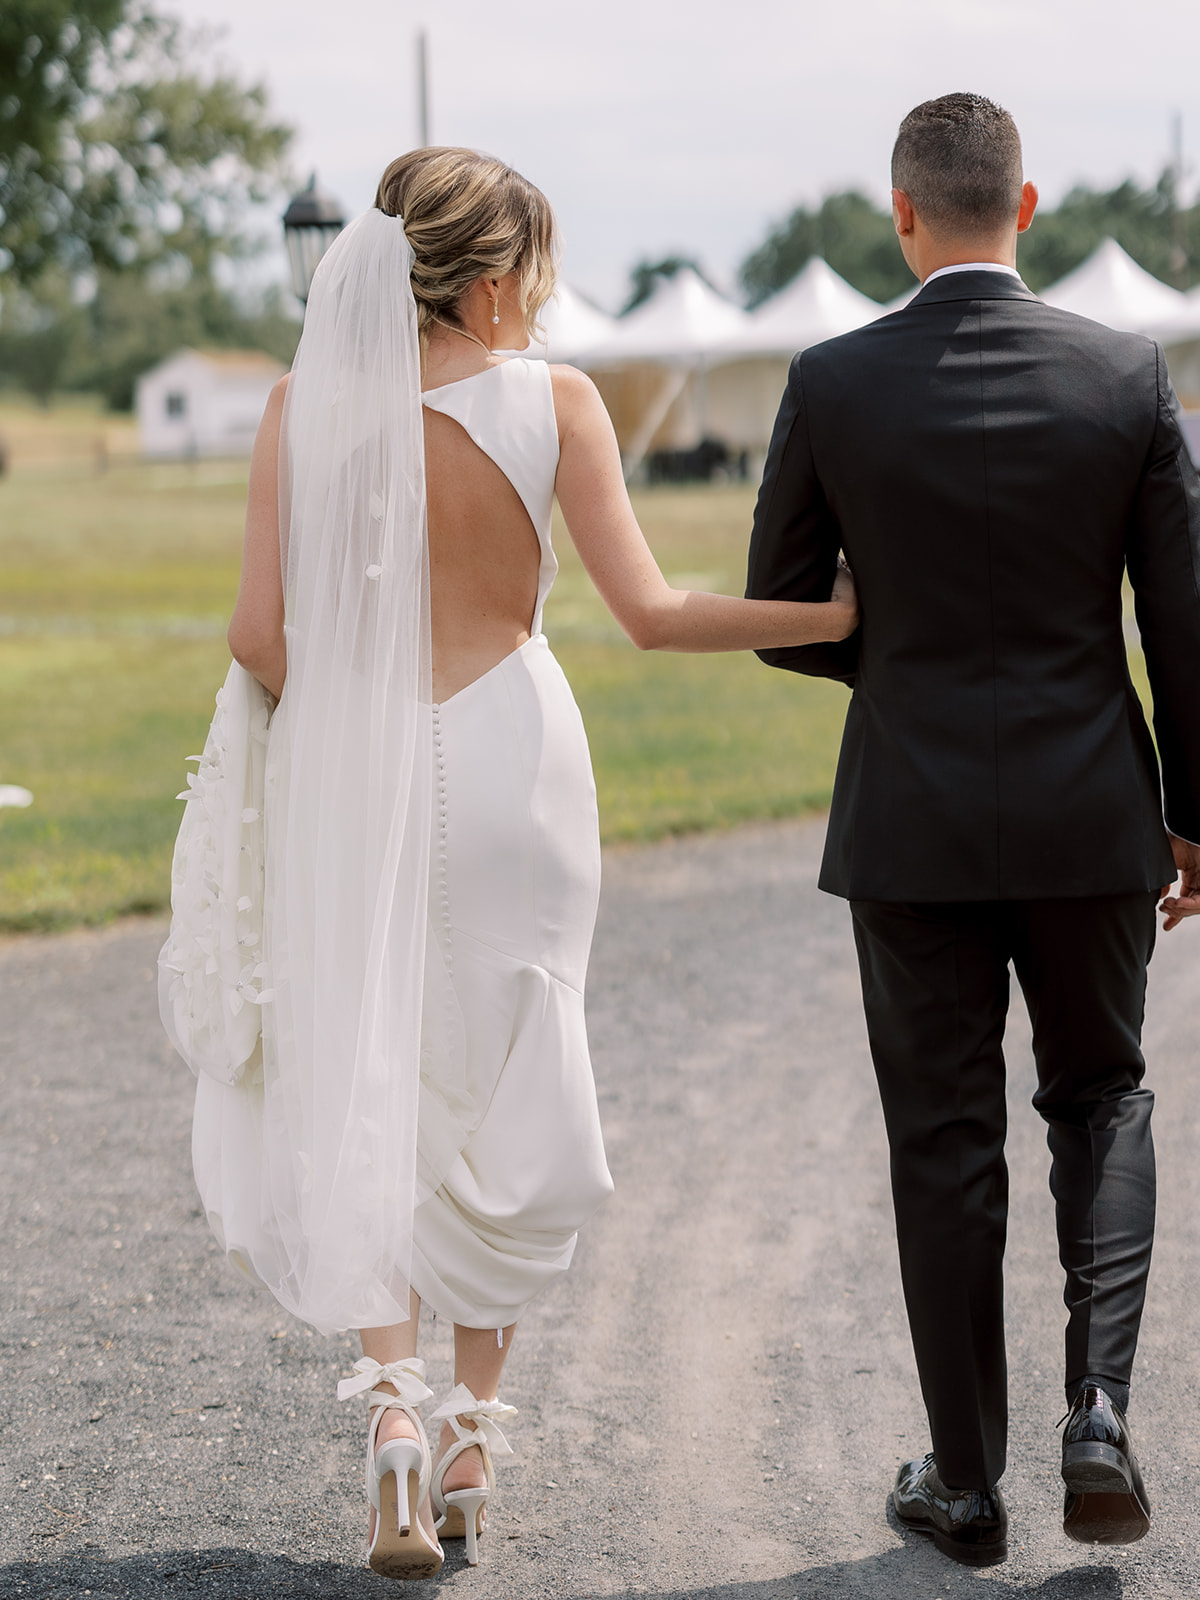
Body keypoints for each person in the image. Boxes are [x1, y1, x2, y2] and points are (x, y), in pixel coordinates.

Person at [191, 147, 857, 1582]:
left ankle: (390, 1425)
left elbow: (257, 638)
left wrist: (349, 729)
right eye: (533, 274)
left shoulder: (303, 407)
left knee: (370, 1056)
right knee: (510, 1065)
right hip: (514, 759)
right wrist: (833, 618)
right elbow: (654, 613)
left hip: (358, 761)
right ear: (492, 278)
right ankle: (479, 1429)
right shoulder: (556, 402)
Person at [747, 93, 1200, 1568]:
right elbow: (1182, 627)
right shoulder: (1129, 375)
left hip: (913, 821)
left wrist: (893, 661)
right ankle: (1098, 1415)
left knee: (941, 1145)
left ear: (900, 213)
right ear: (1029, 205)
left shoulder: (830, 378)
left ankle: (967, 1481)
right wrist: (1196, 818)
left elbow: (782, 609)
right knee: (1104, 1097)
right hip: (1091, 814)